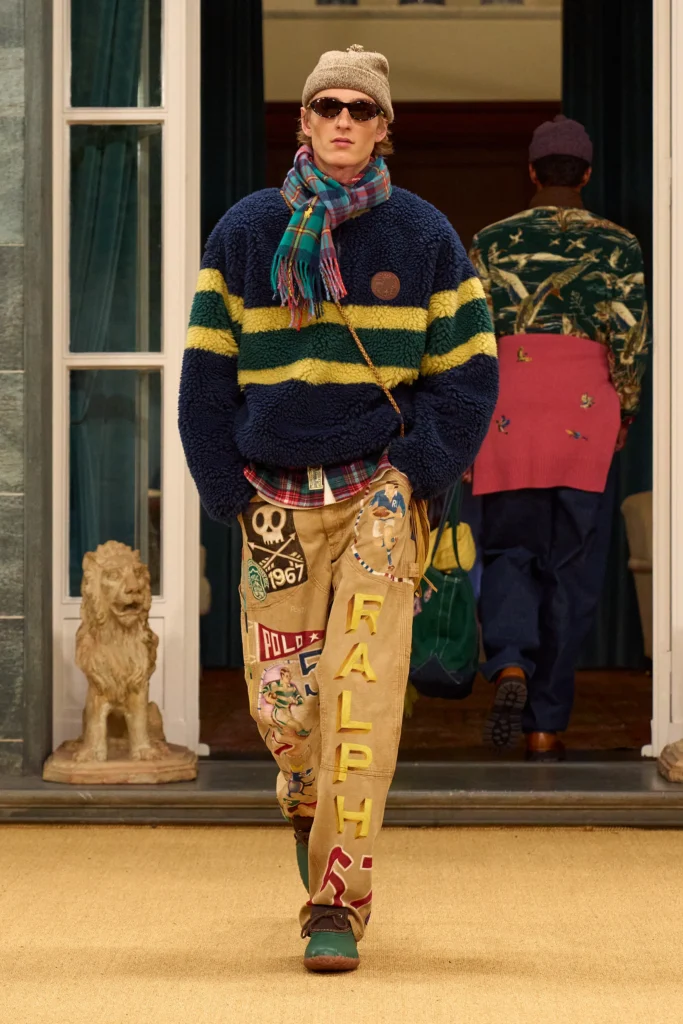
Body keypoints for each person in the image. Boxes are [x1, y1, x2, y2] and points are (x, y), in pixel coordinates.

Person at [179, 45, 498, 972]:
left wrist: (413, 473)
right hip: (273, 507)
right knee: (286, 714)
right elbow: (205, 382)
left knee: (358, 705)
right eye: (329, 106)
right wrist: (228, 493)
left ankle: (335, 904)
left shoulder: (425, 236)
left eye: (362, 108)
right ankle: (304, 806)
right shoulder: (245, 231)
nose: (345, 121)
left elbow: (468, 376)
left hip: (377, 503)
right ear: (305, 120)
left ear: (384, 126)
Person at [469, 115, 649, 762]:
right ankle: (545, 725)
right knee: (570, 571)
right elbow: (630, 339)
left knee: (508, 550)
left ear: (532, 171)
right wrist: (623, 412)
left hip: (510, 410)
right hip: (584, 411)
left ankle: (510, 660)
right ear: (586, 174)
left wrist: (469, 420)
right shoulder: (619, 246)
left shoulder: (491, 241)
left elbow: (471, 337)